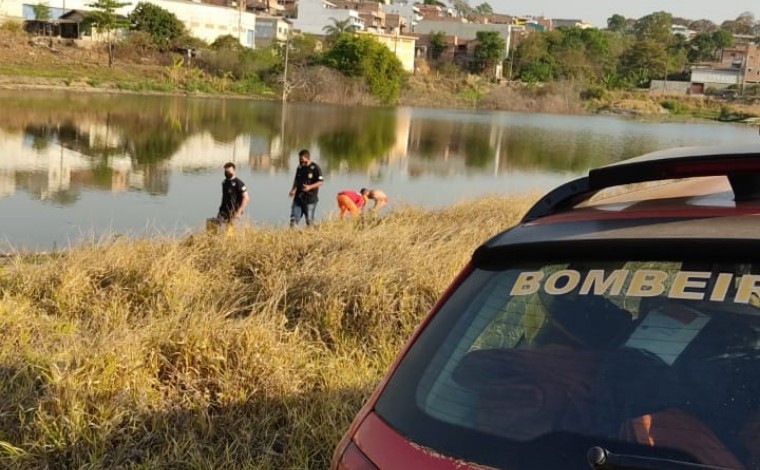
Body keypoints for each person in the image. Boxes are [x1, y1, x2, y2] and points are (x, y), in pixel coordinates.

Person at [210, 162, 249, 234]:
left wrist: (239, 212)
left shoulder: (239, 183)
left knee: (229, 230)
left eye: (229, 172)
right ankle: (212, 241)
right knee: (213, 224)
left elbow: (246, 198)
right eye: (226, 172)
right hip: (223, 210)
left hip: (234, 210)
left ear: (234, 171)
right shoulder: (224, 182)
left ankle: (229, 242)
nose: (227, 174)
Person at [289, 149, 324, 227]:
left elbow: (320, 182)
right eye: (299, 159)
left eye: (302, 159)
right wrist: (293, 190)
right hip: (298, 198)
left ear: (307, 158)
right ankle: (293, 236)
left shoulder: (315, 168)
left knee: (309, 221)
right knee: (293, 220)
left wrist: (309, 187)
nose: (300, 161)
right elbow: (296, 180)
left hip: (310, 199)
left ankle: (312, 235)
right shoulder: (299, 167)